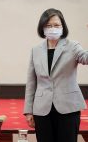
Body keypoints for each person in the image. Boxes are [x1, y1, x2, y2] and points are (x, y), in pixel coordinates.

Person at [24, 8, 88, 142]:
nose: (53, 28)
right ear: (42, 28)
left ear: (63, 27)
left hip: (68, 108)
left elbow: (85, 58)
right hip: (42, 109)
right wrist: (28, 110)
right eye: (48, 25)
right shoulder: (36, 50)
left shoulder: (73, 46)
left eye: (56, 25)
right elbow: (31, 82)